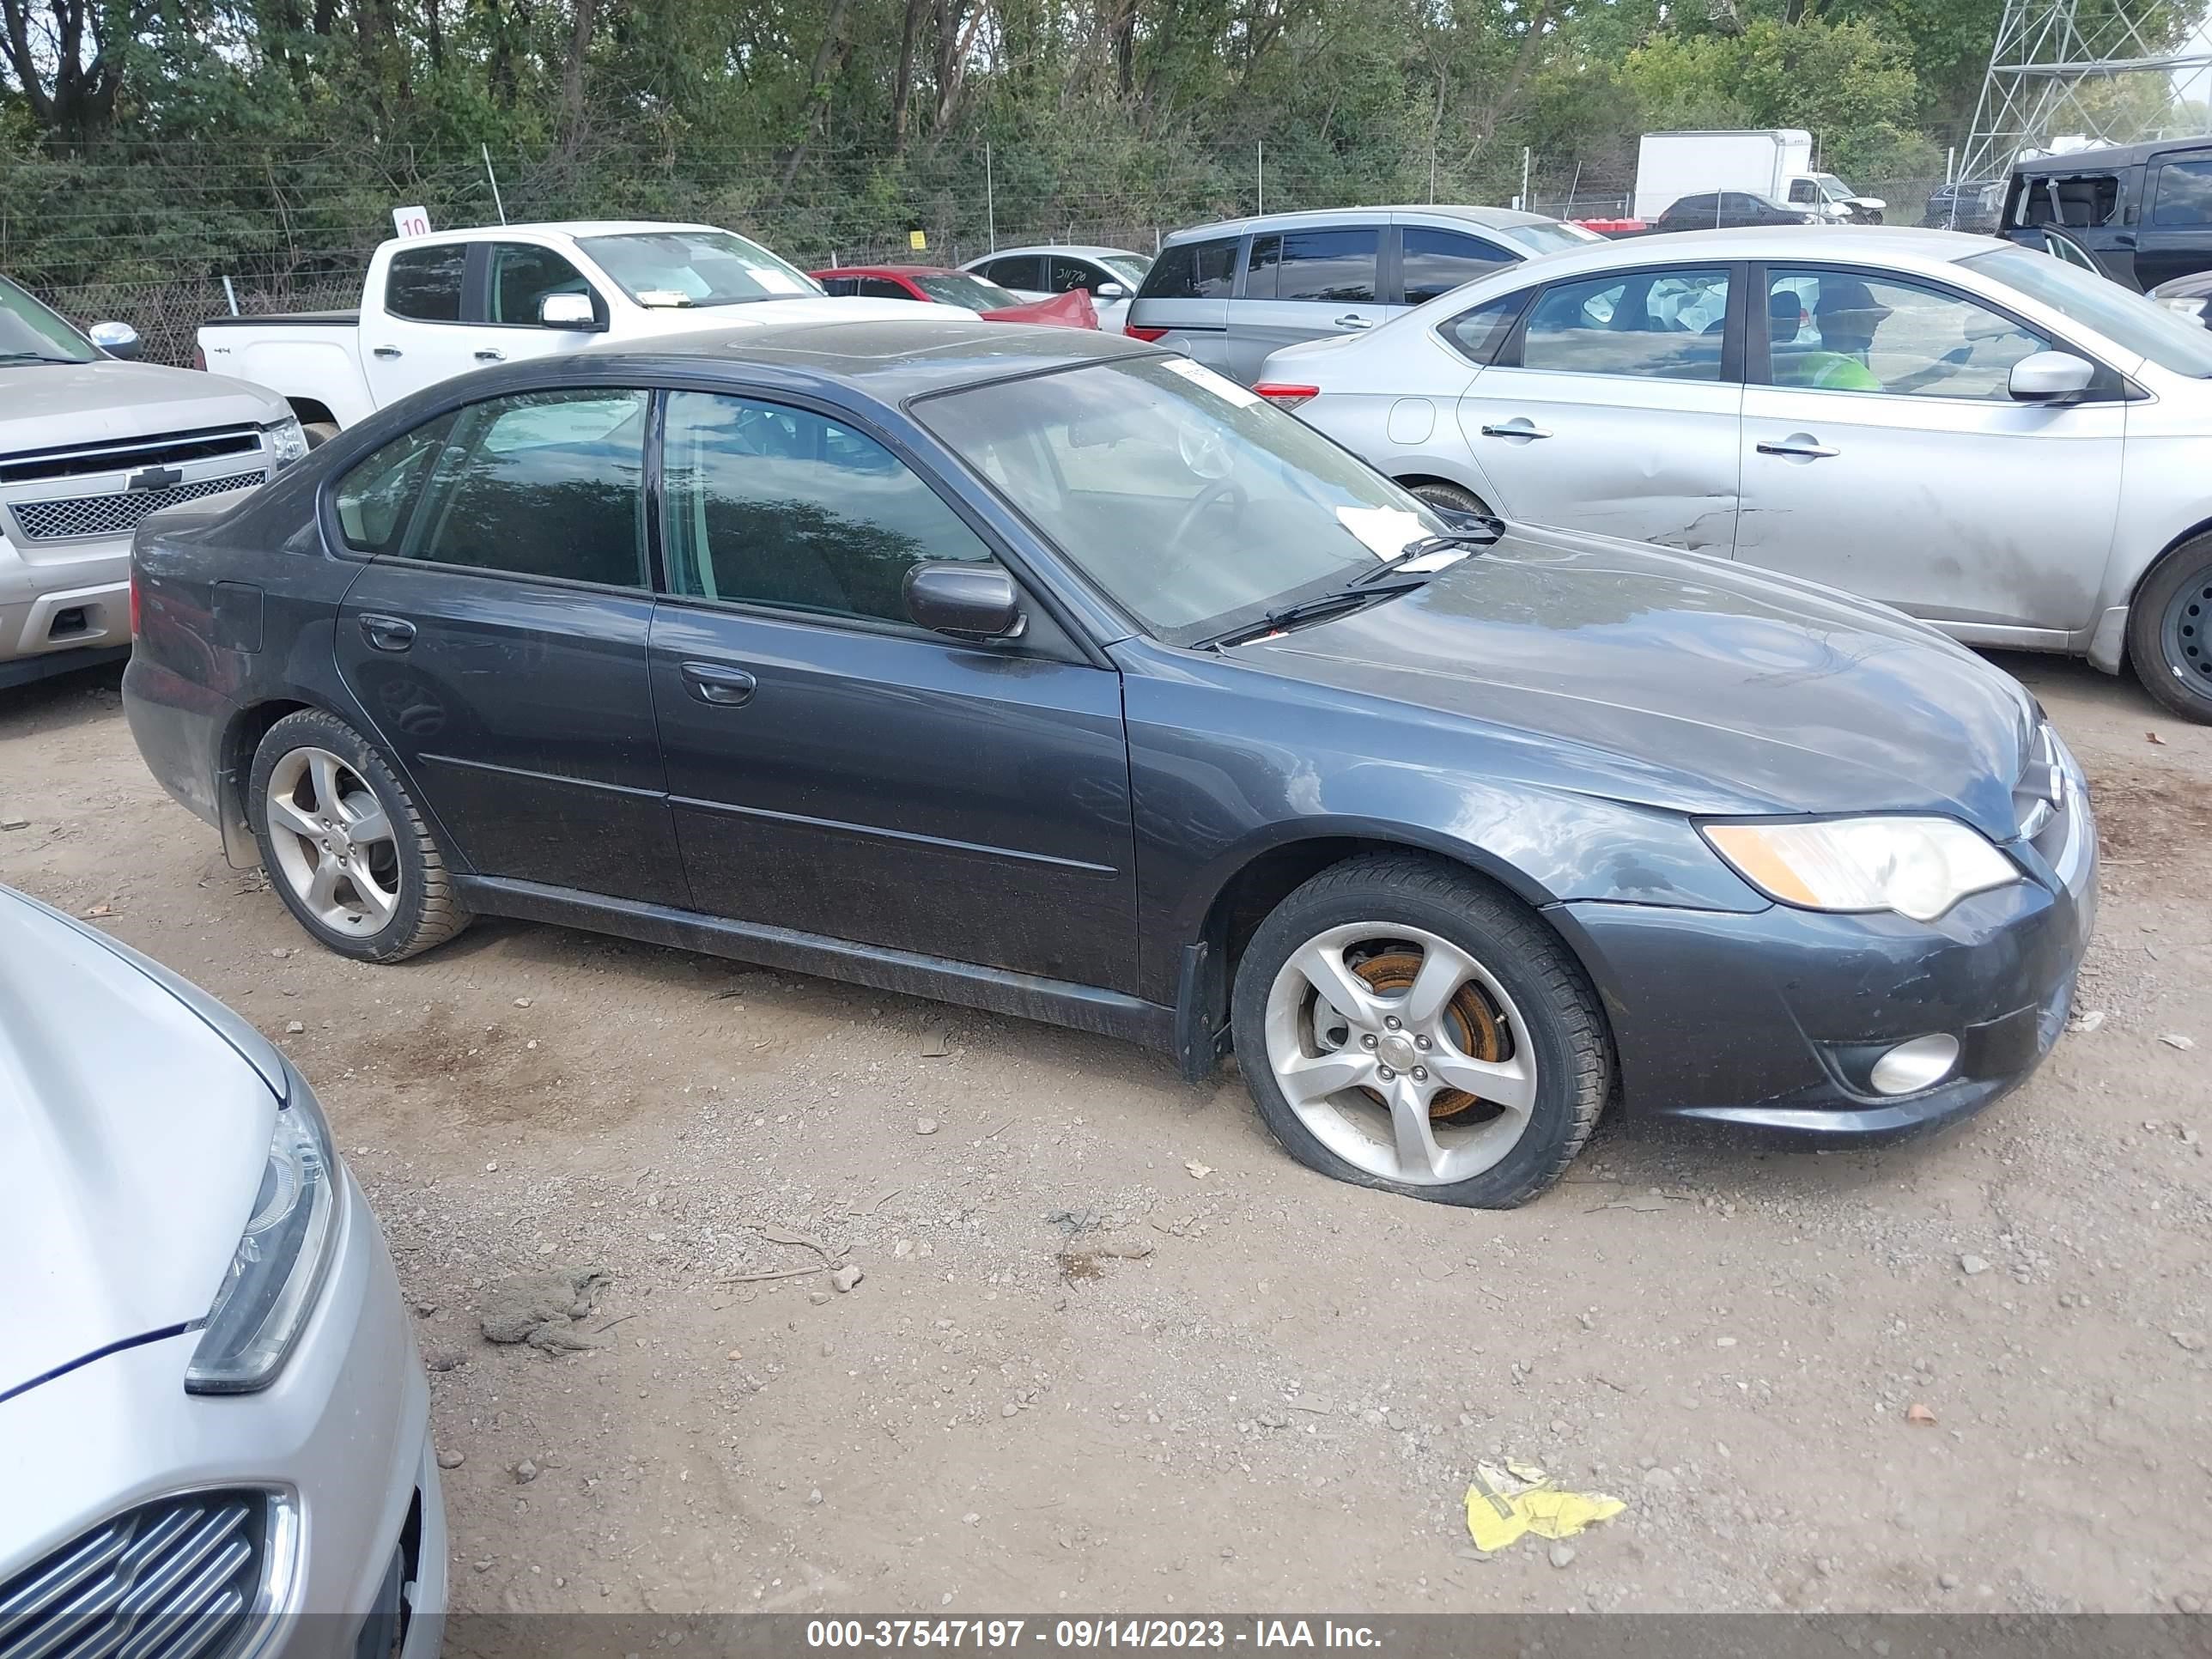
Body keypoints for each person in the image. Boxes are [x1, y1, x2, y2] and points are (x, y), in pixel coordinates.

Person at [1771, 277, 1889, 390]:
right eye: (1870, 316)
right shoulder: (1855, 380)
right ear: (1847, 321)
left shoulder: (1817, 358)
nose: (1876, 323)